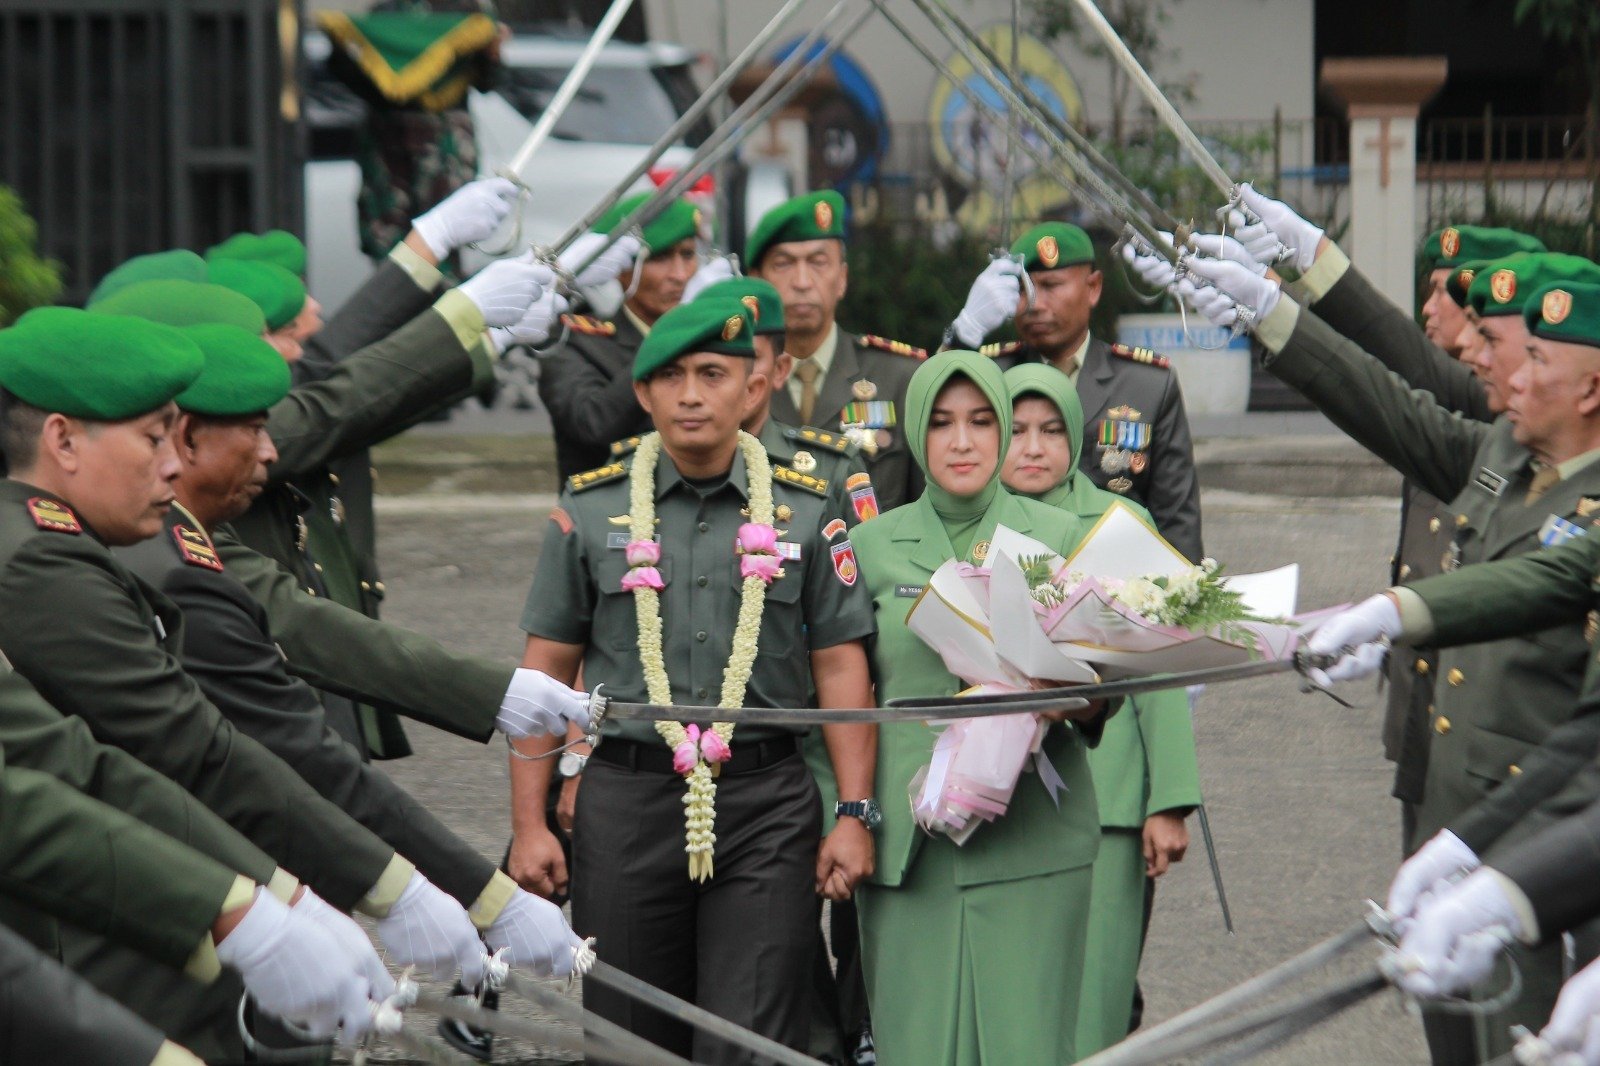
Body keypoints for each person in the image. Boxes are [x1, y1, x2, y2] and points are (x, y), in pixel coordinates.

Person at [0, 307, 519, 1055]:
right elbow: (164, 751)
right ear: (62, 440)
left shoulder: (65, 543)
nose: (171, 465)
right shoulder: (40, 561)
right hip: (104, 939)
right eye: (152, 438)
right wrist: (291, 900)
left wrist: (282, 898)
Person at [1129, 245, 1600, 1062]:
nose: (1507, 376)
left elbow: (1566, 667)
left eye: (1533, 361)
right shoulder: (1506, 454)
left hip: (1548, 838)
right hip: (1458, 818)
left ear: (1590, 390)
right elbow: (1387, 404)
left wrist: (1394, 615)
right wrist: (1272, 315)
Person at [111, 321, 585, 966]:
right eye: (254, 430)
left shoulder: (173, 543)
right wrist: (463, 893)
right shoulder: (168, 562)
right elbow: (283, 740)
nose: (271, 453)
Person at [510, 297, 878, 1062]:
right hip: (626, 802)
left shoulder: (808, 506)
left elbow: (842, 663)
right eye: (669, 377)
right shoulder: (594, 507)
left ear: (754, 387)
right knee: (629, 1039)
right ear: (641, 394)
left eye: (712, 374)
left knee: (750, 1039)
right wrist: (530, 825)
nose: (690, 395)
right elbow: (542, 674)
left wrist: (852, 812)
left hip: (765, 805)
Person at [848, 350, 1105, 1066]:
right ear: (915, 432)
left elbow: (1102, 697)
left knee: (1028, 1046)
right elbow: (837, 698)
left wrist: (1070, 697)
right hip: (908, 846)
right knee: (917, 1047)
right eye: (941, 423)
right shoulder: (869, 545)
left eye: (982, 422)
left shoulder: (1058, 538)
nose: (962, 442)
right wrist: (844, 815)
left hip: (1033, 838)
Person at [1000, 362, 1202, 1055]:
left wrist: (1168, 800)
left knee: (1096, 992)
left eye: (1052, 430)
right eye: (1016, 430)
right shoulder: (975, 521)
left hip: (1109, 798)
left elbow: (1161, 665)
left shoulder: (1122, 522)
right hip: (993, 798)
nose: (1033, 447)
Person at [947, 221, 1202, 561]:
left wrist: (1183, 588)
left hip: (1118, 569)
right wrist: (963, 335)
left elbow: (1176, 520)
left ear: (1093, 288)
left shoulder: (1147, 384)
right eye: (1023, 290)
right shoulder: (987, 376)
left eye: (1050, 286)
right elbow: (929, 427)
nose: (1035, 303)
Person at [747, 190, 926, 511]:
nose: (802, 282)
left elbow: (923, 509)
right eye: (784, 264)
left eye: (818, 262)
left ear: (842, 278)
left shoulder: (900, 378)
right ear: (757, 281)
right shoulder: (736, 380)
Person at [318, 0, 504, 264]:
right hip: (388, 145)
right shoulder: (387, 12)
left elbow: (488, 81)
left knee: (443, 239)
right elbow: (344, 71)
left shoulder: (466, 10)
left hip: (443, 146)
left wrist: (492, 51)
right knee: (388, 244)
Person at [539, 193, 700, 478]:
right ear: (620, 268)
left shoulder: (711, 341)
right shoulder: (574, 342)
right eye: (659, 258)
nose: (679, 275)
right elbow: (592, 424)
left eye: (687, 255)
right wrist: (666, 339)